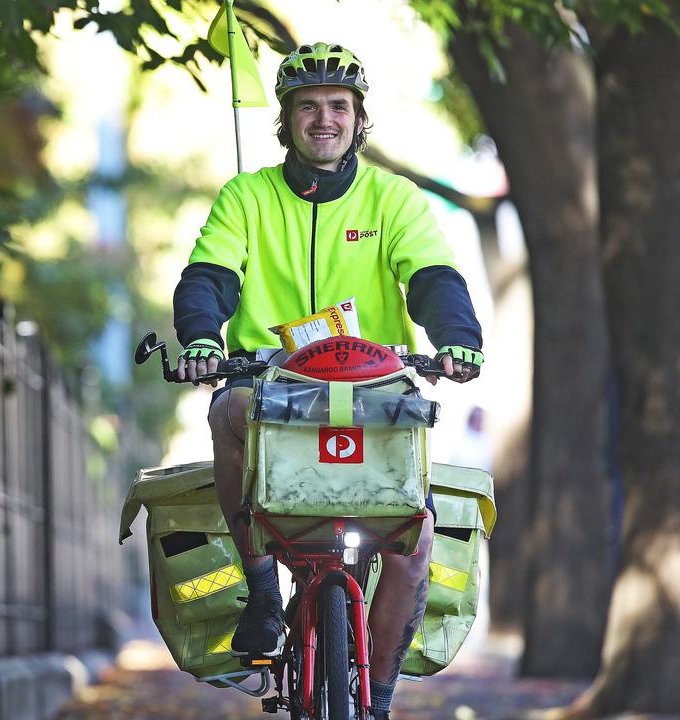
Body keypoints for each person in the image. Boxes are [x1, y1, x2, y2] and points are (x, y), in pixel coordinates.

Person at [171, 42, 484, 718]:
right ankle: (261, 588)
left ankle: (379, 699)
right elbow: (210, 277)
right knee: (228, 412)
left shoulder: (392, 197)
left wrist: (457, 338)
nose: (324, 119)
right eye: (307, 107)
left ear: (359, 119)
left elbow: (431, 275)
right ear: (285, 120)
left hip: (374, 392)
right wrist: (202, 337)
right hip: (270, 385)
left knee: (414, 539)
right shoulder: (247, 196)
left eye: (338, 107)